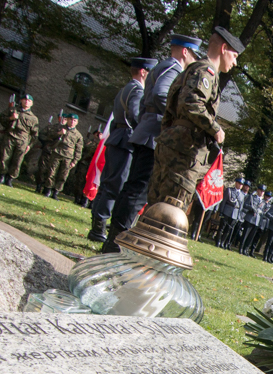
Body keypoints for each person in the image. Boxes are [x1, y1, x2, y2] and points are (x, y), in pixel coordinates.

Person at [102, 34, 202, 252]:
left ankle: (114, 239)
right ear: (185, 52)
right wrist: (174, 118)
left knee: (132, 189)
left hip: (146, 131)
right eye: (194, 55)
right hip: (153, 135)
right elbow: (160, 94)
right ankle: (116, 243)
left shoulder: (162, 66)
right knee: (137, 192)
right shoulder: (173, 68)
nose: (194, 60)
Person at [147, 27, 245, 213]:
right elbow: (191, 102)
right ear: (223, 48)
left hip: (173, 143)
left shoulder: (194, 69)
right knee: (171, 209)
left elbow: (171, 109)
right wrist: (216, 129)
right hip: (183, 150)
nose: (235, 63)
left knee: (156, 206)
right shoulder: (206, 72)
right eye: (234, 56)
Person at [89, 57, 154, 242]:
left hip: (118, 137)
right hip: (125, 139)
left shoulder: (127, 87)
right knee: (114, 186)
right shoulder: (137, 90)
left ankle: (97, 225)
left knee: (108, 184)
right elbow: (135, 114)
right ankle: (98, 228)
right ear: (143, 72)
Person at [0, 93, 38, 187]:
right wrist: (11, 118)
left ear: (32, 104)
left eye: (29, 101)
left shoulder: (33, 118)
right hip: (10, 136)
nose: (27, 102)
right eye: (25, 100)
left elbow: (34, 134)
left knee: (17, 161)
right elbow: (1, 119)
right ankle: (1, 176)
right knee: (4, 157)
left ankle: (10, 178)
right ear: (21, 101)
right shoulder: (12, 110)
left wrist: (29, 145)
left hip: (23, 141)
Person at [40, 113, 84, 200]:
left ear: (77, 122)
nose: (72, 122)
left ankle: (56, 192)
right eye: (70, 119)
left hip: (68, 157)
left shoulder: (78, 135)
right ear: (67, 120)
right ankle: (48, 189)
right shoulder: (59, 128)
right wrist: (59, 133)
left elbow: (78, 150)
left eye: (74, 120)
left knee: (63, 176)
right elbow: (49, 136)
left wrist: (74, 161)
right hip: (57, 153)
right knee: (51, 172)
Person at [215, 177, 247, 247]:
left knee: (228, 229)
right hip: (227, 211)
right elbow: (223, 202)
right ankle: (218, 241)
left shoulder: (242, 195)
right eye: (239, 183)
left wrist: (239, 216)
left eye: (241, 184)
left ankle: (223, 242)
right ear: (236, 183)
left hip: (235, 213)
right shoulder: (229, 190)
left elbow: (241, 206)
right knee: (221, 227)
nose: (240, 185)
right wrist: (221, 211)